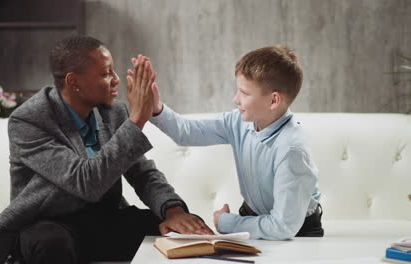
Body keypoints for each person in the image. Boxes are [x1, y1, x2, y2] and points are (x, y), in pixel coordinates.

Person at [0, 35, 213, 264]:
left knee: (185, 231)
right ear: (74, 82)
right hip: (47, 223)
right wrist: (136, 122)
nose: (115, 80)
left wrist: (173, 211)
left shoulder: (113, 112)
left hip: (103, 218)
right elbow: (85, 181)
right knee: (51, 242)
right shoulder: (29, 121)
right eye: (105, 73)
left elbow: (142, 173)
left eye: (113, 71)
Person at [132, 45, 324, 240]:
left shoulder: (291, 149)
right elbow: (187, 132)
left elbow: (283, 227)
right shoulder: (238, 121)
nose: (235, 99)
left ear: (273, 101)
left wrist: (227, 222)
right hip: (255, 216)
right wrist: (156, 108)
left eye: (245, 93)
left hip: (298, 229)